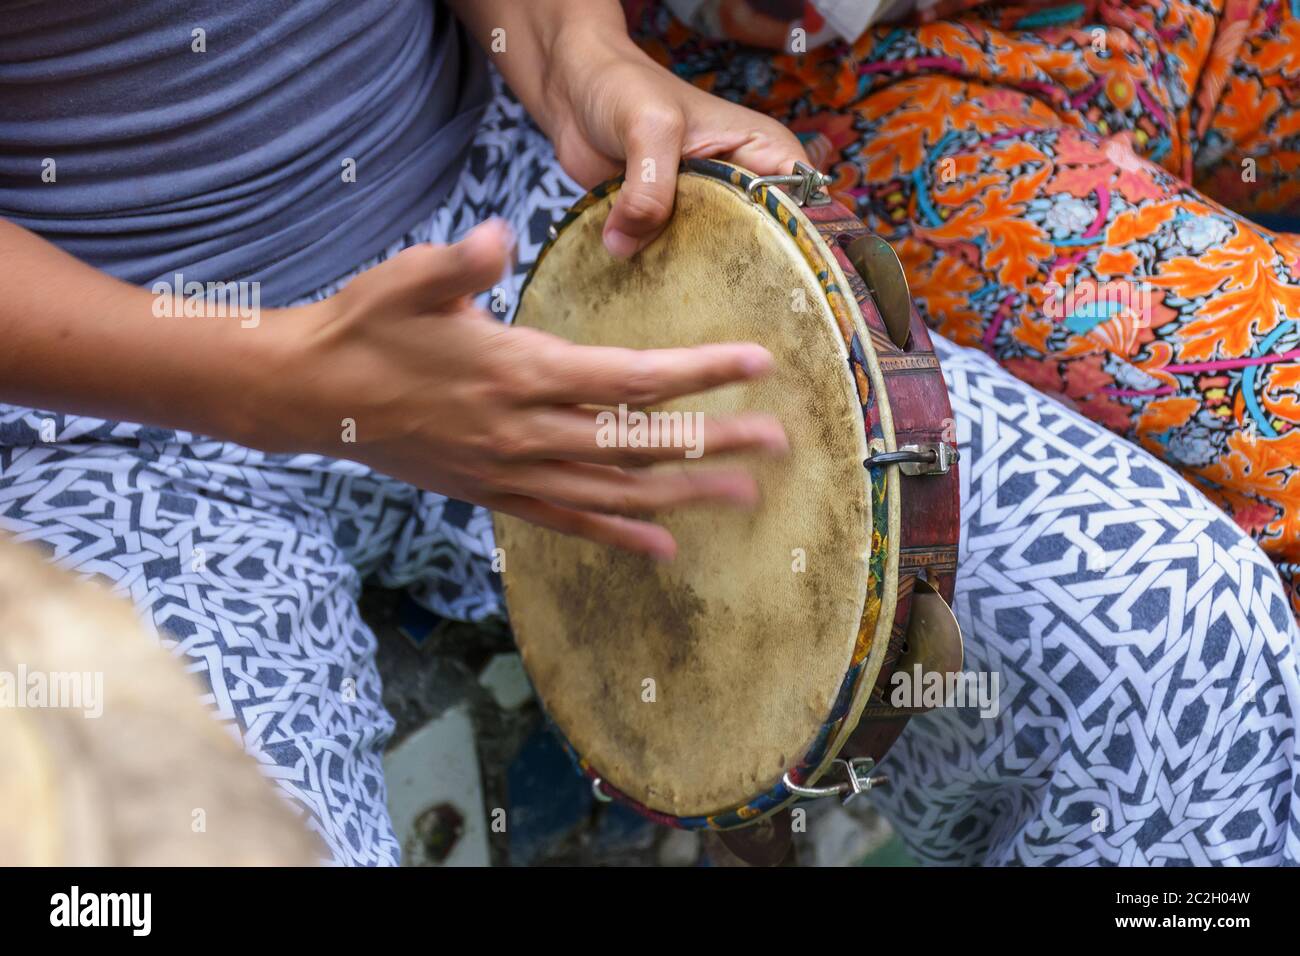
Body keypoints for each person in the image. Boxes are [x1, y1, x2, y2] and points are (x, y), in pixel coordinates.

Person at [1, 0, 1296, 865]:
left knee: (1179, 641)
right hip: (96, 413)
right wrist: (279, 381)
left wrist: (582, 58)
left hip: (511, 220)